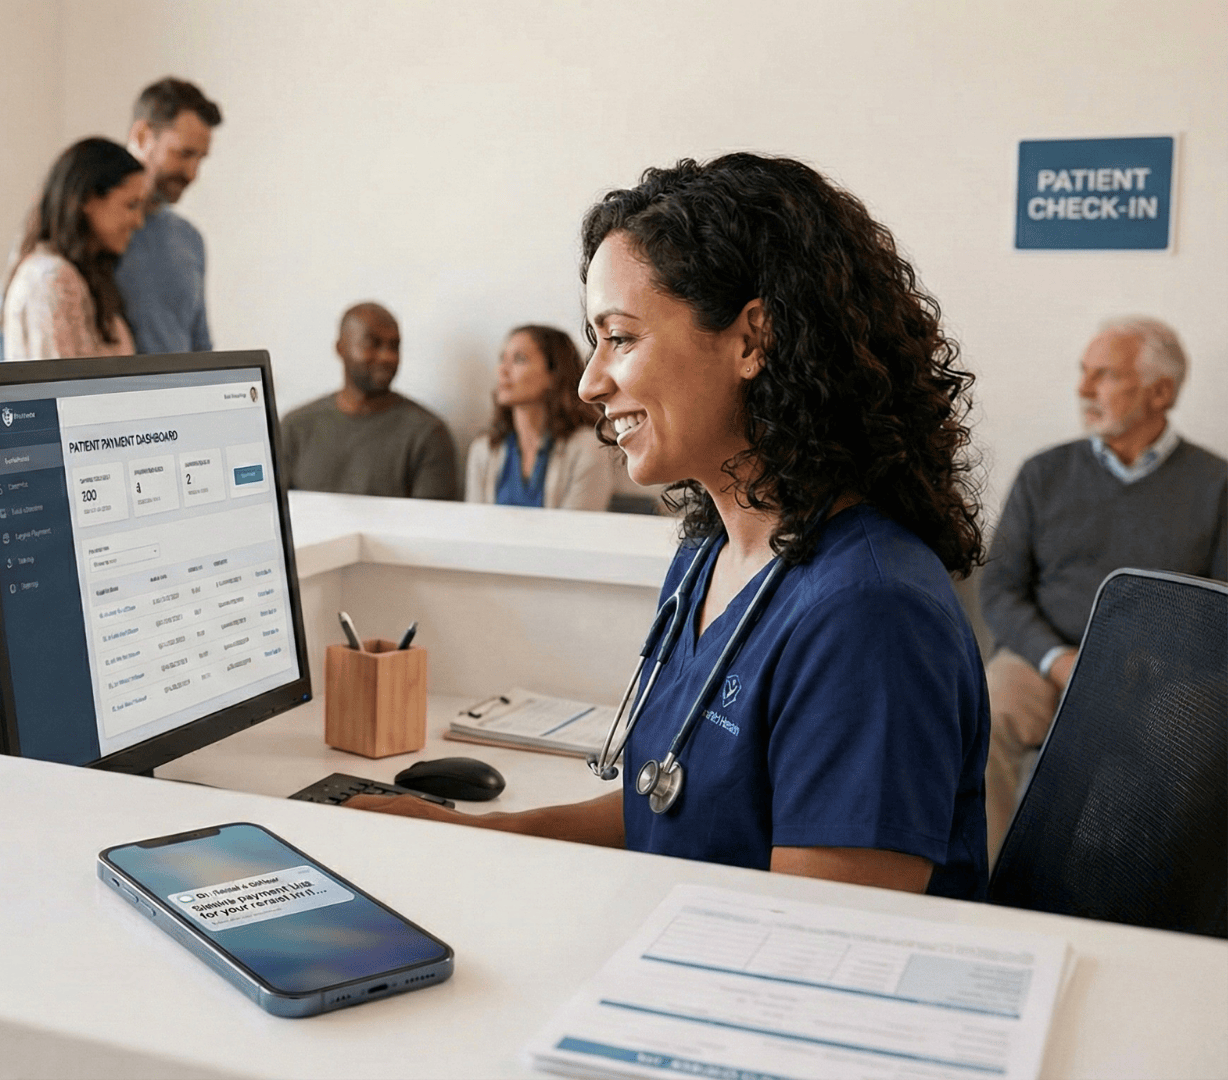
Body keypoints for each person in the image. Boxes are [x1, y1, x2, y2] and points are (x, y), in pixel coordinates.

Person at [350, 154, 993, 899]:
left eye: (619, 338)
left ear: (752, 340)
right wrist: (470, 836)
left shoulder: (867, 616)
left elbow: (821, 952)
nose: (590, 381)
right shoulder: (712, 555)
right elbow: (669, 808)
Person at [978, 317, 1228, 860]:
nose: (1084, 390)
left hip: (1167, 674)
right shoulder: (1044, 473)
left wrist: (1160, 670)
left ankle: (1160, 914)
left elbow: (1220, 611)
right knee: (988, 711)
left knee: (1200, 739)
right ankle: (986, 892)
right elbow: (998, 590)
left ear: (1161, 391)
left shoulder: (1216, 485)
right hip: (1046, 661)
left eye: (1106, 375)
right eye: (1084, 373)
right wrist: (1058, 660)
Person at [0, 78, 221, 361]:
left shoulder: (188, 240)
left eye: (201, 159)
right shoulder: (64, 255)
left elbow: (201, 347)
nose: (192, 173)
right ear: (142, 135)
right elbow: (0, 338)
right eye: (184, 154)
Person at [280, 303, 460, 500]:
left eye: (394, 346)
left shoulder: (428, 434)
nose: (387, 357)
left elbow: (433, 526)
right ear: (340, 348)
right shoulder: (295, 427)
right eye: (372, 344)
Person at [0, 138, 149, 359]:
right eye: (130, 205)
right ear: (87, 199)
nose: (139, 221)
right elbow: (62, 390)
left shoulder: (84, 278)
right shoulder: (51, 278)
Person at [464, 325, 627, 510]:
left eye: (519, 359)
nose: (503, 370)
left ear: (554, 375)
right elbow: (475, 528)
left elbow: (577, 532)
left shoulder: (587, 448)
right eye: (502, 359)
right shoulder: (484, 448)